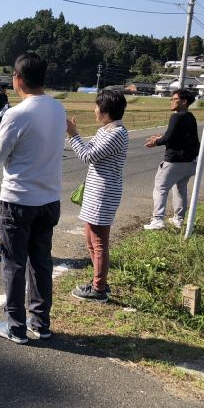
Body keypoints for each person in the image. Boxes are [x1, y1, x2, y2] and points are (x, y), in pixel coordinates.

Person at [0, 53, 66, 344]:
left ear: (17, 78)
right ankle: (40, 324)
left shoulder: (16, 114)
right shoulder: (58, 109)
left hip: (18, 199)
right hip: (49, 198)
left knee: (14, 264)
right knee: (41, 262)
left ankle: (15, 326)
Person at [66, 90, 129, 302]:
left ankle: (99, 289)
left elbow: (87, 155)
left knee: (99, 242)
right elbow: (90, 150)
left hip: (104, 193)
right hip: (95, 191)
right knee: (90, 241)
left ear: (106, 110)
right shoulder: (105, 130)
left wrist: (73, 134)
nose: (94, 110)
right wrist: (76, 136)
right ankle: (99, 281)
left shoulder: (117, 134)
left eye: (96, 106)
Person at [143, 88, 200, 230]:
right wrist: (160, 138)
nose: (171, 101)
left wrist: (156, 142)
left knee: (160, 188)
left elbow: (169, 137)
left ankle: (158, 219)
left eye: (174, 99)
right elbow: (175, 136)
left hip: (174, 161)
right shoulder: (190, 117)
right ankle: (178, 220)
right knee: (180, 189)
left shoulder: (176, 116)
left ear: (184, 101)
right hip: (189, 162)